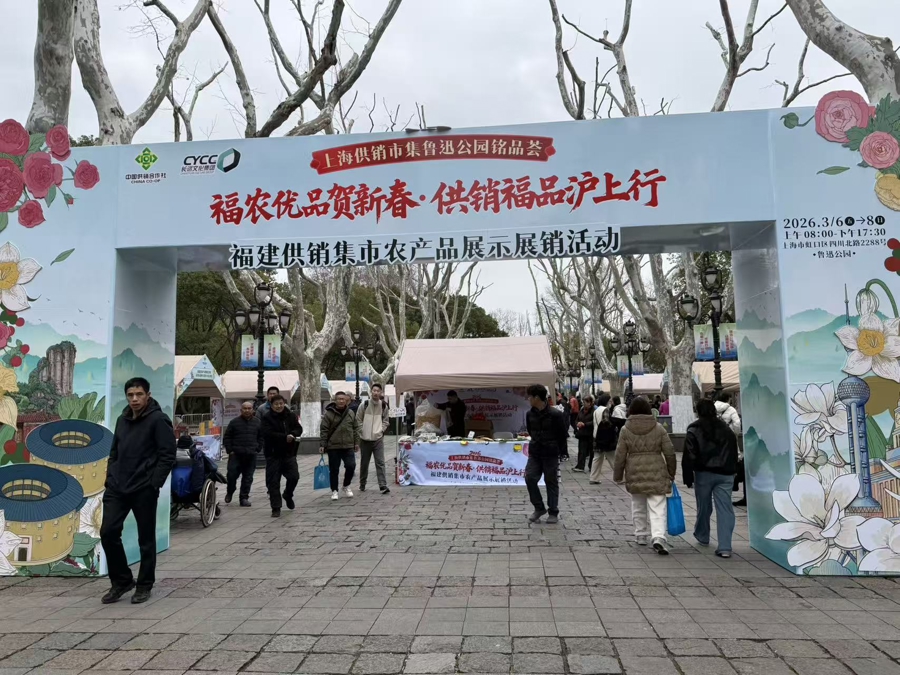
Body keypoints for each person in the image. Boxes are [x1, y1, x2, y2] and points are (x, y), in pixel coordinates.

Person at [99, 377, 176, 604]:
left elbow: (167, 455)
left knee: (146, 539)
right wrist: (110, 477)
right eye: (130, 395)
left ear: (148, 395)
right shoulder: (122, 420)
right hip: (117, 487)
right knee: (108, 532)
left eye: (139, 394)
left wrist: (154, 483)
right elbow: (114, 452)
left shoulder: (158, 420)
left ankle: (144, 585)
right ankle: (122, 581)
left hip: (144, 488)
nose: (134, 399)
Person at [614, 397, 677, 555]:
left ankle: (641, 534)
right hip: (657, 470)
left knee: (638, 504)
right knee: (658, 505)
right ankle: (658, 536)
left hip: (634, 471)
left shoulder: (625, 429)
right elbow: (669, 452)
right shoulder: (658, 428)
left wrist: (618, 475)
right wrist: (671, 472)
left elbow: (620, 454)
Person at [683, 399, 738, 558]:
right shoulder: (726, 429)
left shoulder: (694, 429)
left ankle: (703, 535)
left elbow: (689, 454)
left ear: (697, 411)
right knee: (725, 508)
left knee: (704, 506)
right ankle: (725, 547)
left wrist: (688, 475)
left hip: (703, 473)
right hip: (725, 473)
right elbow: (733, 451)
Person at [524, 384, 569, 524]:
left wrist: (560, 452)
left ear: (537, 398)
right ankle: (539, 507)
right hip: (535, 452)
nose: (528, 399)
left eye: (530, 396)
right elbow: (530, 431)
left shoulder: (555, 414)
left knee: (551, 481)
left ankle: (553, 511)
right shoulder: (529, 414)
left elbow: (562, 435)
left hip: (550, 453)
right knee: (530, 478)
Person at [261, 394, 303, 517]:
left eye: (281, 403)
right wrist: (285, 437)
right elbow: (267, 433)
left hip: (289, 453)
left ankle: (288, 494)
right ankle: (276, 507)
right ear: (271, 405)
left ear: (284, 403)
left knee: (294, 477)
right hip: (273, 454)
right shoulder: (267, 417)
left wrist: (293, 434)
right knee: (273, 482)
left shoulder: (290, 415)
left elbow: (298, 428)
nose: (279, 406)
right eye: (276, 404)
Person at [321, 391, 360, 501]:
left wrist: (356, 442)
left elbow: (355, 428)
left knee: (351, 466)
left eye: (343, 399)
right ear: (335, 400)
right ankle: (334, 490)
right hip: (333, 446)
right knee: (334, 469)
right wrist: (322, 444)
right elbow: (324, 429)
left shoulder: (350, 413)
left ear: (346, 401)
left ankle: (346, 485)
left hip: (348, 445)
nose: (341, 401)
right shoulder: (329, 414)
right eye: (339, 399)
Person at [223, 400, 263, 507]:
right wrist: (230, 450)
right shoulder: (234, 422)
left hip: (251, 454)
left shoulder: (257, 422)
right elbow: (227, 437)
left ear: (253, 410)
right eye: (245, 408)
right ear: (241, 410)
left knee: (248, 477)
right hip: (236, 454)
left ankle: (244, 497)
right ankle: (230, 491)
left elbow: (261, 437)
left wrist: (258, 448)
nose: (247, 410)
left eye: (249, 408)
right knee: (231, 475)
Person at [357, 383, 391, 494]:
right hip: (364, 439)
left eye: (378, 391)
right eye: (374, 390)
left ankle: (383, 485)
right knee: (364, 463)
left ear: (381, 393)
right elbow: (358, 419)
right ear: (371, 392)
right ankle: (362, 484)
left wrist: (381, 430)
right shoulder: (364, 405)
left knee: (380, 462)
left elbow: (386, 421)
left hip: (378, 439)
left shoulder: (384, 406)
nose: (376, 393)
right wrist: (362, 430)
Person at [714, 392, 745, 506]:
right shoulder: (731, 409)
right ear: (728, 399)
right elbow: (737, 424)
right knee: (732, 459)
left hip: (715, 439)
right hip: (728, 438)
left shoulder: (712, 408)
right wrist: (735, 433)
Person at [590, 394, 617, 484]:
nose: (611, 403)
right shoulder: (605, 410)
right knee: (613, 458)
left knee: (597, 458)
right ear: (606, 401)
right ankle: (620, 477)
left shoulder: (596, 410)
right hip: (605, 438)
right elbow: (606, 422)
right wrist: (614, 426)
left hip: (596, 436)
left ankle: (593, 478)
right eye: (610, 401)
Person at [573, 395, 595, 473]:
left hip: (590, 434)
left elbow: (594, 422)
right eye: (583, 402)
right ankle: (580, 466)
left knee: (592, 451)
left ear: (590, 403)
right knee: (581, 450)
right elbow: (577, 419)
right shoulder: (582, 410)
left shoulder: (594, 411)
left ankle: (591, 466)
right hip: (582, 433)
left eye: (585, 402)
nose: (584, 403)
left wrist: (585, 424)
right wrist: (578, 423)